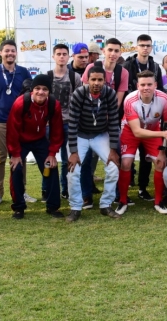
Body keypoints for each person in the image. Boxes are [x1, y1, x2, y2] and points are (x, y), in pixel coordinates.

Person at [65, 66, 121, 222]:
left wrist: (113, 149)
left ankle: (106, 205)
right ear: (87, 80)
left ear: (105, 80)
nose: (96, 83)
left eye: (100, 80)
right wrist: (74, 152)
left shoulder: (110, 93)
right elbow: (72, 124)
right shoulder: (78, 94)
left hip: (100, 135)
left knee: (113, 167)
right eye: (93, 79)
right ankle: (75, 207)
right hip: (80, 135)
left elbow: (114, 122)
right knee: (73, 171)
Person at [6, 74, 64, 219]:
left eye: (45, 89)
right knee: (16, 169)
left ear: (49, 91)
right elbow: (12, 130)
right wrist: (15, 154)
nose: (41, 92)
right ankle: (19, 207)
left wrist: (52, 153)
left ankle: (53, 207)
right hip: (20, 140)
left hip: (39, 140)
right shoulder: (20, 103)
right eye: (37, 88)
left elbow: (57, 130)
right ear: (32, 90)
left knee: (51, 167)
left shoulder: (54, 104)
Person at [116, 71, 167, 215]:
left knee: (160, 162)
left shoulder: (164, 98)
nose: (146, 88)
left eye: (149, 84)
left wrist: (162, 151)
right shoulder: (130, 100)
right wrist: (162, 134)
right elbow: (137, 132)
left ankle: (158, 202)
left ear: (155, 85)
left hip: (153, 130)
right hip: (130, 130)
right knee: (126, 163)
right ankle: (122, 201)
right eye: (142, 85)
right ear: (137, 86)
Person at [81, 38, 129, 207]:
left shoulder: (123, 72)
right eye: (110, 50)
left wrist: (106, 117)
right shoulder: (91, 67)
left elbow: (117, 101)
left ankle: (116, 194)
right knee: (86, 159)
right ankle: (86, 195)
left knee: (115, 156)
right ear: (104, 51)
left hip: (109, 120)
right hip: (88, 120)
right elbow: (84, 94)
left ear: (120, 53)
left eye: (116, 51)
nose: (113, 54)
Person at [0, 40, 32, 206]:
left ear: (16, 53)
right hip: (0, 121)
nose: (10, 54)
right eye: (6, 51)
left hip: (20, 122)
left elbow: (30, 94)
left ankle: (22, 191)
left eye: (13, 51)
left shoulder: (23, 72)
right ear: (1, 53)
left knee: (20, 157)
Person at [123, 35, 165, 201]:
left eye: (148, 45)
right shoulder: (128, 65)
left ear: (151, 47)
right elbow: (125, 88)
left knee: (147, 158)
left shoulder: (155, 66)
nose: (145, 48)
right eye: (142, 45)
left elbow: (159, 90)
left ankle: (142, 188)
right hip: (131, 114)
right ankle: (126, 189)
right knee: (127, 159)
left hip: (150, 120)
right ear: (137, 47)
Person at [49, 43, 82, 201]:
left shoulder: (75, 77)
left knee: (67, 159)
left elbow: (79, 101)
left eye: (64, 54)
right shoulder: (48, 76)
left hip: (70, 123)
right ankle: (47, 189)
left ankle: (65, 189)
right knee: (48, 158)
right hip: (52, 124)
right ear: (53, 56)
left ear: (69, 57)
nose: (61, 57)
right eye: (58, 54)